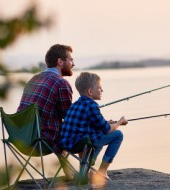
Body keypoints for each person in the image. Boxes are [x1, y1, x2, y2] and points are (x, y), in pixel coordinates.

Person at [60, 72, 128, 186]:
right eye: (100, 88)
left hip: (67, 144)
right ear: (90, 92)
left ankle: (87, 169)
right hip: (81, 144)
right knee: (118, 135)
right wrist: (120, 122)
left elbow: (90, 122)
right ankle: (101, 171)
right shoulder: (92, 106)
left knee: (98, 133)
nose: (102, 90)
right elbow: (107, 130)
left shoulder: (75, 104)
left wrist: (107, 122)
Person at [17, 44, 75, 177]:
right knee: (80, 129)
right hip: (40, 142)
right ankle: (83, 175)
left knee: (56, 128)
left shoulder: (33, 79)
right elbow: (69, 118)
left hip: (21, 138)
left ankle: (69, 172)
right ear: (60, 61)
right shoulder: (61, 83)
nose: (73, 63)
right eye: (71, 60)